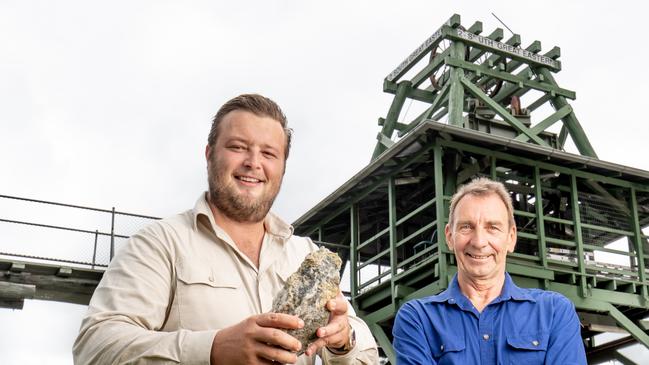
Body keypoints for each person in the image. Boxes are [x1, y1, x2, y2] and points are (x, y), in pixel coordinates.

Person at [73, 94, 378, 364]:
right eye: (238, 147)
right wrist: (212, 349)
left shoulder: (307, 255)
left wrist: (343, 341)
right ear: (209, 155)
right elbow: (94, 348)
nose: (253, 163)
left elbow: (367, 358)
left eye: (269, 153)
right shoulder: (159, 244)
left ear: (282, 167)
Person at [392, 177, 586, 364]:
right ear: (449, 237)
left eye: (492, 227)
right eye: (466, 227)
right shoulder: (417, 319)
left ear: (511, 238)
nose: (479, 242)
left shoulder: (554, 312)